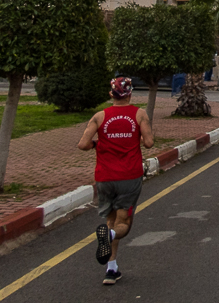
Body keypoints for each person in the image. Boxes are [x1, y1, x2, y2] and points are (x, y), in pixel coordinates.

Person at [78, 77, 155, 286]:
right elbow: (149, 143)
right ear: (130, 93)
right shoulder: (139, 114)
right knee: (123, 224)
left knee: (110, 220)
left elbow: (83, 144)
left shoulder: (99, 116)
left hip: (105, 177)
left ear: (111, 94)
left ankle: (111, 269)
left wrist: (97, 145)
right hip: (129, 177)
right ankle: (110, 235)